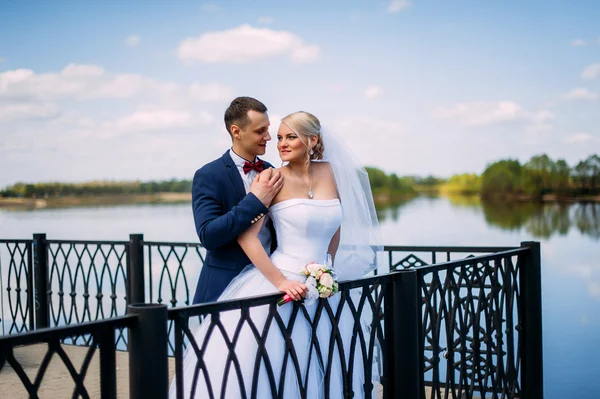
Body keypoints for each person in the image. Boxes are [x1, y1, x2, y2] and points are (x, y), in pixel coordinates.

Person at [171, 111, 382, 398]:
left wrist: (327, 268)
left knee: (324, 362)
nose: (278, 142)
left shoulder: (331, 172)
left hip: (323, 288)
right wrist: (281, 282)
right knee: (269, 367)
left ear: (313, 140)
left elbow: (335, 226)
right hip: (281, 284)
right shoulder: (271, 178)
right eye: (277, 136)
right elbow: (247, 237)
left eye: (288, 136)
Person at [191, 97, 284, 304]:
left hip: (271, 283)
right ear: (236, 131)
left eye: (268, 129)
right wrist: (254, 201)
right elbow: (209, 235)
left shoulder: (271, 170)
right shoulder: (209, 175)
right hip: (225, 288)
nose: (268, 137)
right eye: (260, 131)